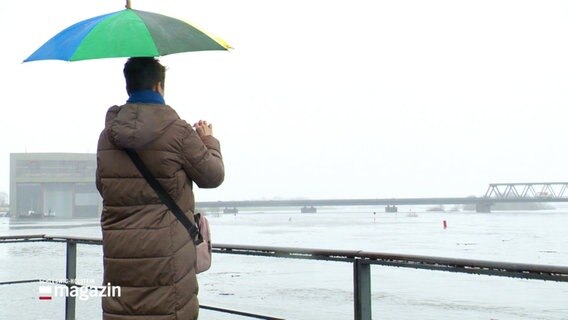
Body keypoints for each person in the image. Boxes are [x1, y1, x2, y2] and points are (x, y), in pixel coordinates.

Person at [96, 57, 224, 320]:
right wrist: (209, 141)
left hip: (121, 259)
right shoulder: (177, 132)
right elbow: (213, 176)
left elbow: (103, 185)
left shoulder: (108, 136)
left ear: (129, 86)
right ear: (158, 86)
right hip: (169, 264)